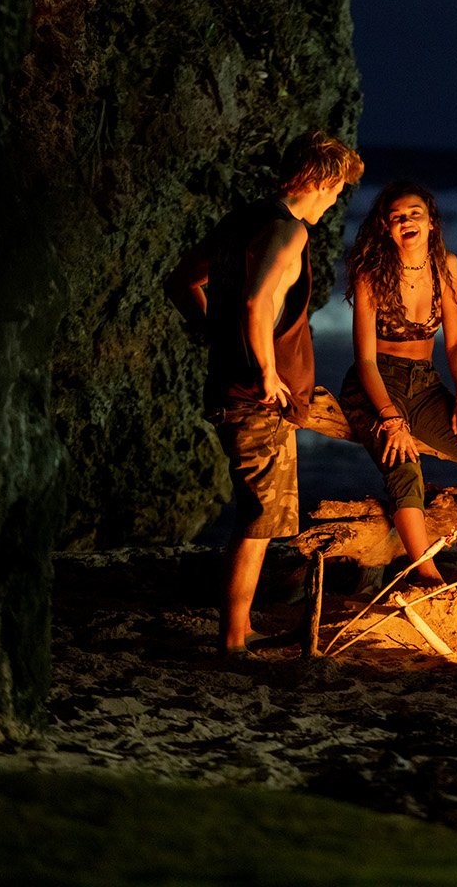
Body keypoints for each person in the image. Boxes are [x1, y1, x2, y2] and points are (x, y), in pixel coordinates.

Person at [165, 130, 364, 654]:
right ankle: (234, 637)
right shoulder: (287, 231)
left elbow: (182, 281)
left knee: (260, 514)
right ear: (321, 179)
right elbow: (256, 305)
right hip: (259, 398)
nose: (337, 199)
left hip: (237, 388)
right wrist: (266, 370)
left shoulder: (242, 221)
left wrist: (219, 338)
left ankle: (238, 628)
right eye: (337, 188)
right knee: (258, 520)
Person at [339, 180, 457, 584]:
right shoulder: (371, 272)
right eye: (396, 217)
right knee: (404, 465)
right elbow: (365, 359)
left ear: (431, 224)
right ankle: (426, 574)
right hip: (375, 384)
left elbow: (456, 341)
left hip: (425, 384)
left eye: (414, 214)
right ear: (386, 228)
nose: (406, 221)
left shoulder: (447, 266)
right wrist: (390, 418)